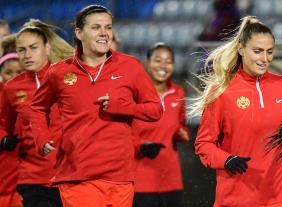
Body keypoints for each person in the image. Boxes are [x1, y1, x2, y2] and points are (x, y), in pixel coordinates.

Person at [30, 5, 163, 207]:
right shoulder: (59, 72)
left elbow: (155, 110)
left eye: (108, 28)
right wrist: (41, 136)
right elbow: (37, 107)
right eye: (96, 27)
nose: (104, 33)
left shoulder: (131, 66)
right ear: (79, 33)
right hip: (77, 176)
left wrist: (123, 107)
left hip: (120, 176)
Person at [193, 16, 282, 207]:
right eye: (257, 51)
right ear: (241, 49)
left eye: (270, 52)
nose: (265, 59)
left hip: (278, 198)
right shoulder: (221, 91)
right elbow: (204, 144)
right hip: (235, 199)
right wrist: (227, 159)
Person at [0, 19, 74, 207]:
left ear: (47, 48)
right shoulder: (12, 88)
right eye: (22, 50)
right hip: (34, 178)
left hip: (72, 175)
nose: (27, 55)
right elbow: (2, 123)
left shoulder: (69, 77)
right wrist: (3, 139)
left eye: (33, 48)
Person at [132, 42, 190, 207]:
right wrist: (141, 146)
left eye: (169, 61)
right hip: (140, 181)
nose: (163, 65)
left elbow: (180, 125)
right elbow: (121, 136)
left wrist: (182, 133)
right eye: (158, 60)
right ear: (147, 62)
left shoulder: (178, 93)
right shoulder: (133, 94)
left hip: (171, 180)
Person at [0, 34, 23, 207]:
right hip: (4, 168)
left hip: (24, 176)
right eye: (8, 72)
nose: (14, 77)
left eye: (19, 72)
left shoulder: (36, 93)